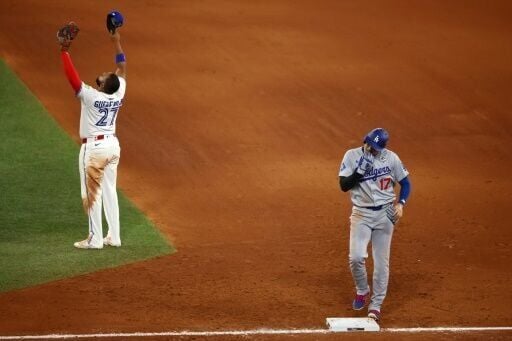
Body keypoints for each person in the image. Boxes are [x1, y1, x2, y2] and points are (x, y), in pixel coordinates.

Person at [58, 24, 127, 249]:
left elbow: (72, 79)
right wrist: (115, 40)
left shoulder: (91, 97)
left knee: (91, 193)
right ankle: (114, 236)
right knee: (109, 190)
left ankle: (95, 239)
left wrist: (64, 51)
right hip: (112, 147)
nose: (108, 72)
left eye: (107, 75)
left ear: (104, 84)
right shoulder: (117, 92)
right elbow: (122, 67)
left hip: (95, 150)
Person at [338, 128, 411, 322]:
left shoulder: (391, 158)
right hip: (361, 212)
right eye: (370, 145)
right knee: (355, 257)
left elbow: (406, 184)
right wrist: (359, 172)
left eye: (376, 148)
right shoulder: (352, 155)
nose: (372, 149)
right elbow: (344, 186)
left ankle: (376, 305)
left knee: (381, 263)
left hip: (386, 212)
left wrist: (401, 204)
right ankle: (362, 290)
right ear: (366, 140)